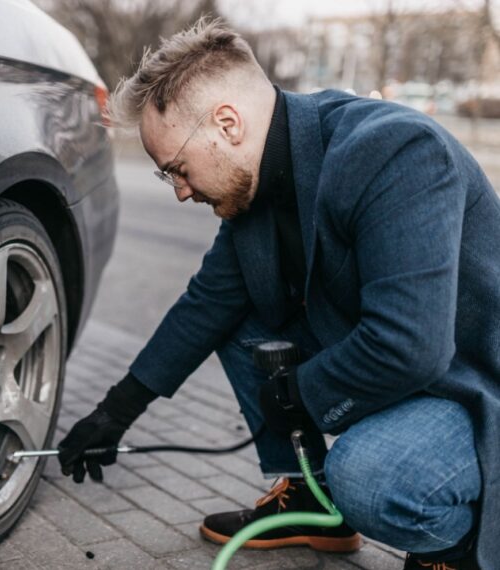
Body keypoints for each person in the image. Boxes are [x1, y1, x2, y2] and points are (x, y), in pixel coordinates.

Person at [57, 17, 500, 570]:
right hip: (410, 370)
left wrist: (300, 393)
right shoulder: (254, 187)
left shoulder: (393, 150)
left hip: (472, 388)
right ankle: (309, 497)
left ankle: (451, 545)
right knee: (242, 326)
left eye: (177, 168)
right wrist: (114, 412)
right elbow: (206, 307)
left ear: (227, 124)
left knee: (368, 475)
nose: (179, 191)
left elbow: (411, 346)